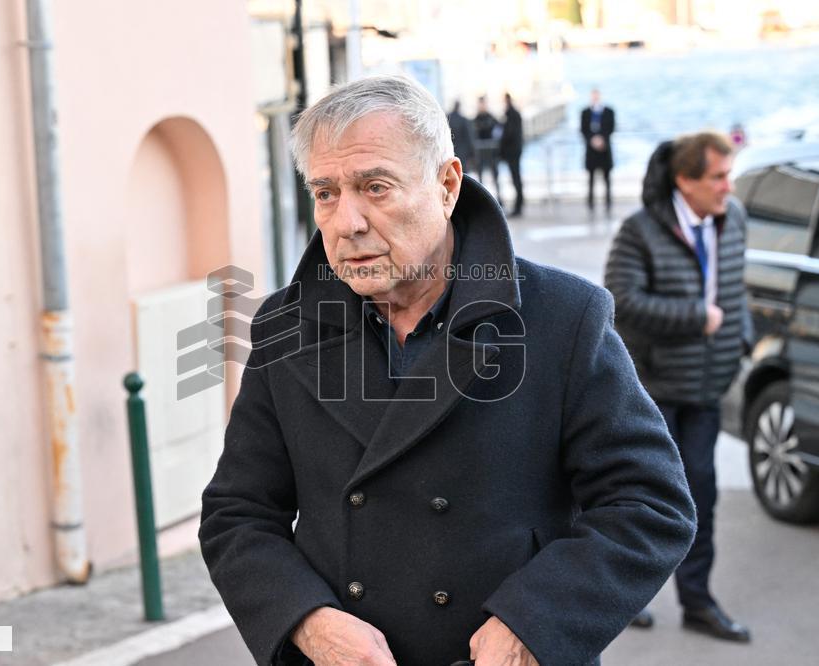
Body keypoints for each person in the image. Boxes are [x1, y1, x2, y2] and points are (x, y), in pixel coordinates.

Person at [200, 75, 697, 666]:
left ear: (447, 185)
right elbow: (238, 513)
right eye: (326, 192)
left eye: (375, 187)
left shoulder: (563, 318)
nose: (346, 222)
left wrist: (534, 623)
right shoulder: (285, 326)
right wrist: (309, 621)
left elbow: (650, 503)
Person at [604, 132, 754, 643]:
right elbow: (619, 301)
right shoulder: (640, 230)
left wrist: (741, 336)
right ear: (685, 180)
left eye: (730, 175)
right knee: (641, 504)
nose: (728, 188)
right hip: (653, 392)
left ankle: (697, 602)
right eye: (718, 177)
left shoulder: (733, 219)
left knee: (701, 500)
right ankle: (625, 598)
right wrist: (698, 319)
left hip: (706, 390)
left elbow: (735, 287)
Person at [580, 88, 615, 213]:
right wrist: (592, 140)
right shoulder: (585, 112)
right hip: (591, 151)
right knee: (591, 178)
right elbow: (583, 129)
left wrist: (602, 140)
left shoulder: (609, 111)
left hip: (604, 150)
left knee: (607, 178)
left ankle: (608, 202)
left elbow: (611, 127)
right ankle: (590, 203)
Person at [473, 95, 502, 204]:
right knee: (481, 179)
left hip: (491, 153)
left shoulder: (491, 118)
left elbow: (499, 130)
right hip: (481, 154)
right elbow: (474, 135)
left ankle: (499, 200)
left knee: (496, 178)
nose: (482, 106)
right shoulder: (476, 119)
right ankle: (483, 202)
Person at [500, 93, 524, 216]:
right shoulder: (515, 114)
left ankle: (519, 205)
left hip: (512, 152)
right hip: (515, 151)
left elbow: (508, 134)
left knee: (516, 178)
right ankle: (519, 204)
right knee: (516, 178)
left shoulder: (511, 115)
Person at [447, 100, 477, 174]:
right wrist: (472, 153)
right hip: (462, 151)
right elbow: (469, 137)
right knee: (462, 173)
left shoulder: (447, 118)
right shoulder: (463, 120)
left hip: (449, 151)